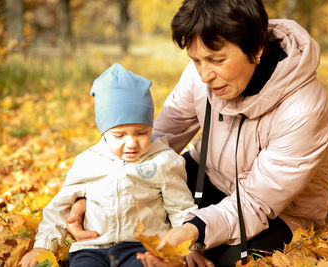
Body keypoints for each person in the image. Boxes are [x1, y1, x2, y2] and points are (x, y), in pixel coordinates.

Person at [70, 0, 328, 266]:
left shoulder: (304, 108)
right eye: (196, 60)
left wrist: (192, 231)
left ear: (256, 48)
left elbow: (256, 202)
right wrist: (96, 192)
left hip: (277, 211)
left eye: (216, 60)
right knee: (130, 210)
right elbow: (158, 140)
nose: (205, 75)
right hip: (206, 178)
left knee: (225, 258)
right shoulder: (202, 75)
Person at [19, 63, 197, 267]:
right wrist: (44, 246)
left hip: (142, 249)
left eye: (141, 132)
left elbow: (180, 208)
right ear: (103, 132)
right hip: (92, 248)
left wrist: (188, 249)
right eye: (119, 135)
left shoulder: (163, 161)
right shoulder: (88, 162)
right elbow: (60, 206)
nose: (131, 142)